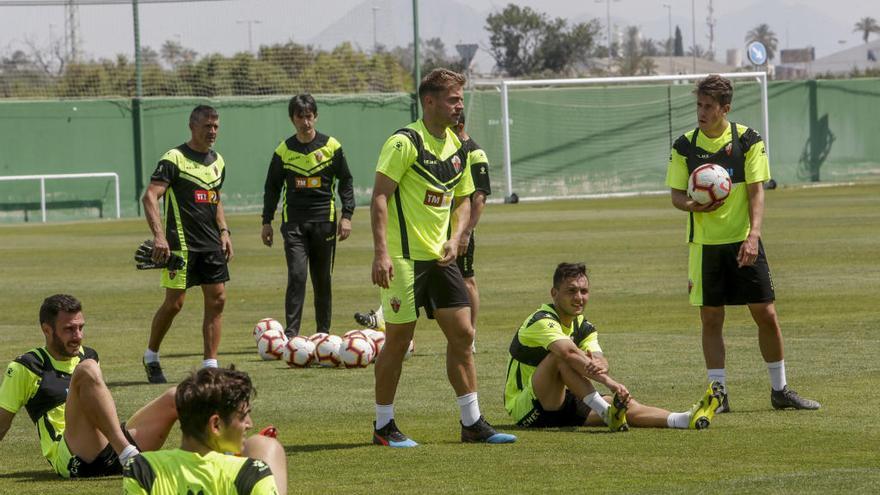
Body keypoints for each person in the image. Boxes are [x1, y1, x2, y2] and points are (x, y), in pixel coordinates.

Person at [369, 68, 516, 447]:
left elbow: (464, 198)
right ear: (430, 101)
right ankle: (383, 426)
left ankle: (472, 423)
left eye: (461, 100)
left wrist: (457, 236)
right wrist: (381, 253)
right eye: (453, 100)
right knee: (399, 339)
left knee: (464, 334)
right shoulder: (404, 142)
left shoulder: (458, 147)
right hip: (402, 259)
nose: (458, 107)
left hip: (441, 259)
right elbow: (380, 197)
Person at [665, 74, 819, 412]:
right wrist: (691, 205)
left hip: (743, 242)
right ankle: (718, 395)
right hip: (704, 246)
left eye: (708, 107)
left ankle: (780, 390)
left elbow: (756, 191)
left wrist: (753, 236)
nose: (701, 113)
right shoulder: (684, 145)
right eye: (698, 106)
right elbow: (676, 195)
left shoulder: (748, 139)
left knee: (766, 313)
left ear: (725, 109)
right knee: (711, 319)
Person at [505, 263, 722, 431]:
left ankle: (684, 419)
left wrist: (599, 364)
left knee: (623, 406)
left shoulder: (584, 326)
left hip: (563, 401)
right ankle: (607, 413)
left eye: (584, 291)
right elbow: (568, 353)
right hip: (529, 408)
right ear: (554, 293)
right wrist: (610, 382)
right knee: (561, 357)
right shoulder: (541, 320)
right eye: (571, 291)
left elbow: (600, 359)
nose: (579, 297)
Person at [0, 294, 178, 478]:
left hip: (109, 446)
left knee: (177, 396)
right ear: (47, 330)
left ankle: (202, 461)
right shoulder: (27, 366)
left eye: (80, 327)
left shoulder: (89, 354)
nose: (78, 336)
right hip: (73, 456)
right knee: (87, 369)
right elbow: (1, 424)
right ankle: (128, 454)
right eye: (69, 329)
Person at [141, 104, 233, 384]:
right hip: (180, 245)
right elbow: (150, 197)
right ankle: (151, 356)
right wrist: (159, 236)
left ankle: (210, 366)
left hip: (211, 245)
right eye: (207, 126)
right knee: (174, 304)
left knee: (217, 300)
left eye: (216, 126)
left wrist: (225, 231)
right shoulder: (174, 158)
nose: (213, 131)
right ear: (192, 126)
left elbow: (214, 199)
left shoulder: (218, 161)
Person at [262, 94, 355, 338]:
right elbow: (272, 187)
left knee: (322, 279)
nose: (305, 122)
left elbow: (346, 181)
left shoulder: (331, 146)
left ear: (316, 116)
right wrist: (266, 221)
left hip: (324, 221)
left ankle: (322, 334)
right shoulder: (284, 151)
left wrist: (347, 216)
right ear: (292, 119)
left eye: (309, 116)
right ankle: (292, 335)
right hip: (293, 223)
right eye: (300, 117)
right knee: (297, 275)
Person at [123, 367, 287, 495]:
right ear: (215, 424)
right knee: (266, 445)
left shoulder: (143, 469)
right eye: (243, 416)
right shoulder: (251, 473)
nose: (249, 424)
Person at [452, 112, 491, 352]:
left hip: (461, 228)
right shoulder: (446, 148)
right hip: (436, 226)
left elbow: (479, 197)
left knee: (466, 278)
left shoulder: (475, 153)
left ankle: (471, 335)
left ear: (460, 125)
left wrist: (466, 232)